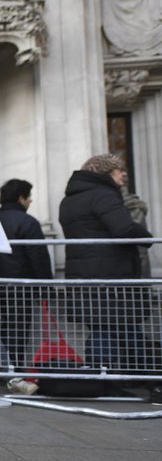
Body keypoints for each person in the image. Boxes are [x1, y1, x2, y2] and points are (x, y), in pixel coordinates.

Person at [59, 154, 154, 376]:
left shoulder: (70, 199)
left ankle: (138, 376)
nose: (124, 174)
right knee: (108, 330)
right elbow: (124, 229)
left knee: (119, 328)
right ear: (105, 172)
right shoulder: (103, 195)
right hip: (110, 277)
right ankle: (105, 380)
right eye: (119, 170)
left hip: (86, 276)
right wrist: (147, 237)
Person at [0, 179, 53, 395]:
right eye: (28, 196)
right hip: (21, 286)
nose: (30, 201)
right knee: (18, 330)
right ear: (21, 198)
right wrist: (47, 287)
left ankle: (0, 369)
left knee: (0, 329)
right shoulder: (27, 222)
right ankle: (15, 370)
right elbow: (38, 257)